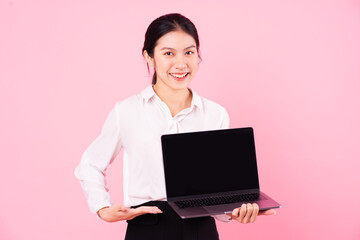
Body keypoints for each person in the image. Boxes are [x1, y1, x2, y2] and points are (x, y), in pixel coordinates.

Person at [75, 13, 276, 240]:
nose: (181, 64)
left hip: (201, 230)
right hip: (148, 227)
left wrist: (235, 211)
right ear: (149, 57)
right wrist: (103, 208)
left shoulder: (215, 114)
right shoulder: (127, 111)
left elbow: (215, 192)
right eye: (168, 53)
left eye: (189, 52)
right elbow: (89, 165)